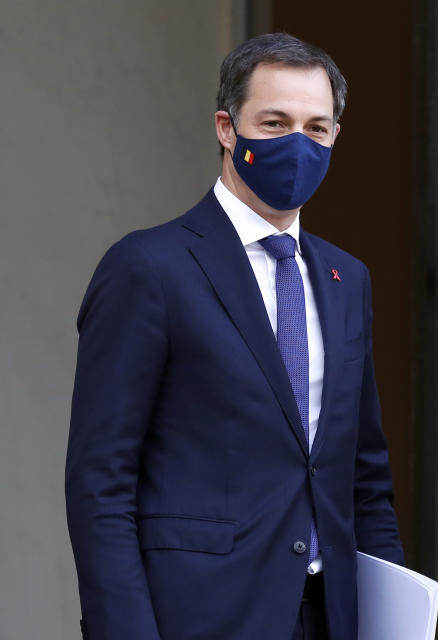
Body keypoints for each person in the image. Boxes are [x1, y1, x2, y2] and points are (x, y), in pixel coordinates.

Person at [65, 33, 403, 640]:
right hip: (199, 618)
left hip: (330, 616)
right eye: (274, 123)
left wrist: (392, 626)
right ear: (227, 128)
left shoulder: (346, 279)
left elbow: (364, 477)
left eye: (316, 128)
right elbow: (100, 483)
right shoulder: (150, 268)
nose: (298, 144)